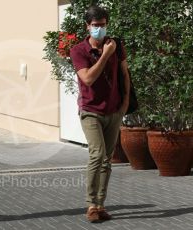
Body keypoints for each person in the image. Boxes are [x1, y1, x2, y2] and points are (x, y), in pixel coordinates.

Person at [70, 6, 130, 223]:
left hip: (114, 111)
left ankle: (100, 205)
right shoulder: (78, 50)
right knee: (97, 154)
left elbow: (124, 73)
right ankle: (90, 205)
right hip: (90, 111)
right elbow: (87, 79)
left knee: (107, 159)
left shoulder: (117, 45)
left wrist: (125, 103)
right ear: (88, 26)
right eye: (95, 25)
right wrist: (105, 55)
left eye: (103, 24)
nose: (100, 29)